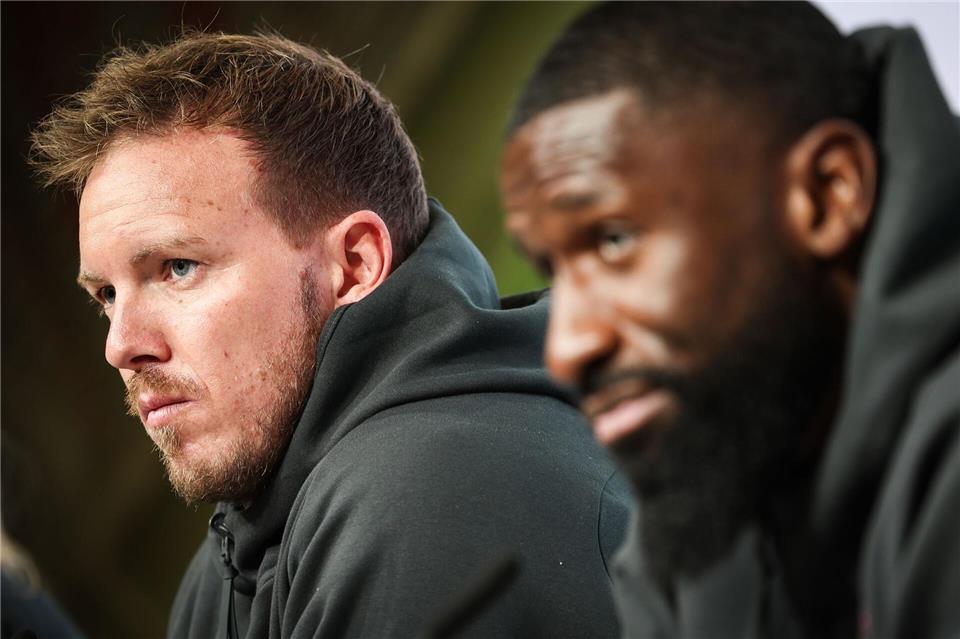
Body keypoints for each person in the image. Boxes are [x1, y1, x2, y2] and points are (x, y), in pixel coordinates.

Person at [30, 32, 631, 638]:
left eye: (177, 268)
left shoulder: (437, 500)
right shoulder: (233, 555)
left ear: (355, 265)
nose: (120, 345)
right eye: (106, 295)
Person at [500, 2, 959, 638]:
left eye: (613, 241)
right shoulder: (690, 539)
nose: (568, 347)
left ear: (829, 195)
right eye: (553, 269)